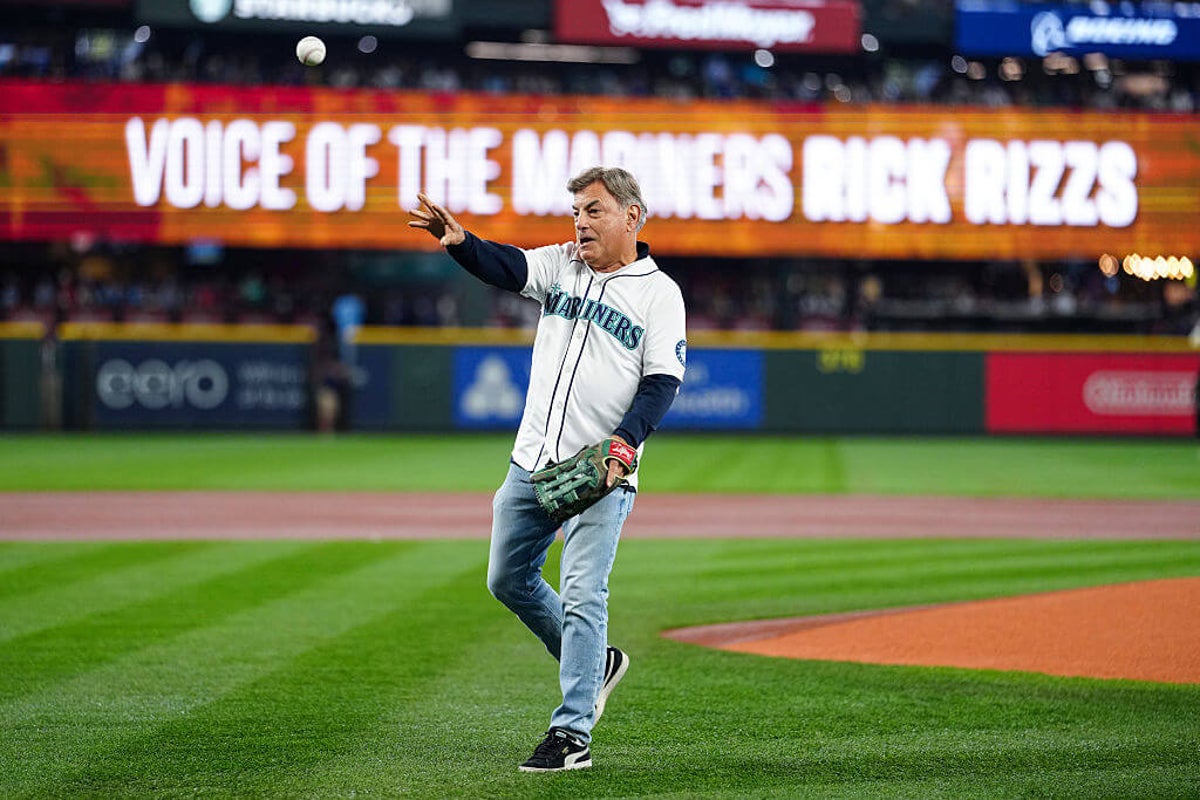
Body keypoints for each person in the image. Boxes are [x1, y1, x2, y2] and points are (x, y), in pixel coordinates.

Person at [408, 166, 687, 772]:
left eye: (594, 210)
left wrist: (626, 443)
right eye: (577, 212)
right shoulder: (563, 264)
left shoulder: (658, 293)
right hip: (531, 462)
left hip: (600, 472)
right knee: (507, 579)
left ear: (632, 217)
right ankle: (595, 661)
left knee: (586, 591)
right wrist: (459, 242)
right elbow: (508, 267)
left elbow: (662, 382)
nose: (581, 222)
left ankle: (572, 734)